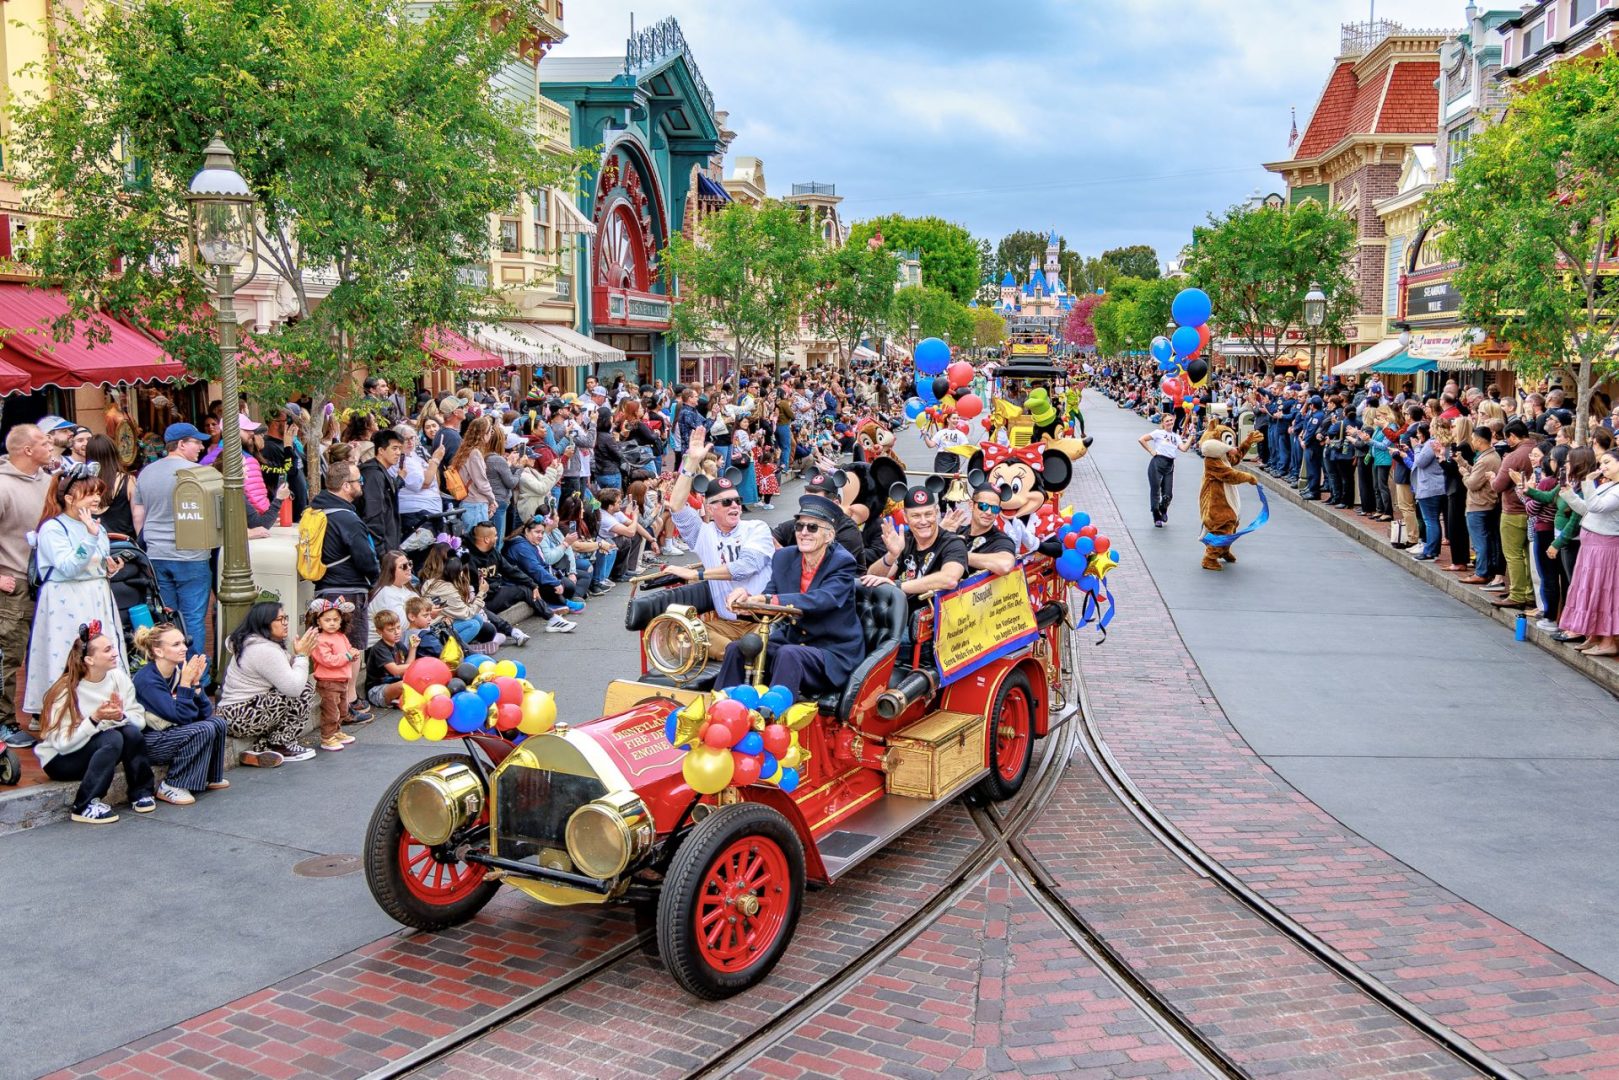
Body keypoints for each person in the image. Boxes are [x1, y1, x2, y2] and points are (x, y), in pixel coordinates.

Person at [713, 494, 863, 698]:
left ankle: (773, 717)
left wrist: (768, 600)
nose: (803, 533)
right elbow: (769, 594)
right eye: (799, 526)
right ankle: (721, 707)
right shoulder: (784, 557)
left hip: (831, 650)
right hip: (792, 641)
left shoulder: (842, 561)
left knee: (788, 654)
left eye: (812, 528)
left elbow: (824, 599)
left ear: (829, 536)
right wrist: (745, 598)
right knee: (737, 648)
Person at [26, 464, 129, 723]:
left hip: (97, 594)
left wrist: (110, 567)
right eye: (89, 494)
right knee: (67, 651)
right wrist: (90, 537)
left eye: (98, 493)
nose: (96, 499)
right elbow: (68, 567)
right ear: (70, 498)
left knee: (102, 650)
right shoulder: (52, 529)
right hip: (66, 599)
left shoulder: (96, 526)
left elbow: (97, 561)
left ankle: (105, 706)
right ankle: (64, 712)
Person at [33, 622, 155, 824]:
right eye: (107, 650)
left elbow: (139, 721)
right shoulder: (66, 690)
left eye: (113, 647)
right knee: (113, 737)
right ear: (90, 659)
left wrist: (120, 716)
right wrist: (95, 719)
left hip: (94, 750)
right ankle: (84, 805)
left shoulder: (118, 677)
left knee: (130, 733)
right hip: (60, 760)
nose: (115, 653)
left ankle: (141, 791)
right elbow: (62, 744)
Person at [664, 427, 774, 644]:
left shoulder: (756, 527)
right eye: (726, 502)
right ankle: (736, 655)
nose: (734, 506)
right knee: (678, 635)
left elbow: (745, 567)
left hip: (763, 622)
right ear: (710, 507)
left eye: (737, 501)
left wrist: (697, 575)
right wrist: (691, 463)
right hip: (726, 624)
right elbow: (676, 506)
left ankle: (737, 656)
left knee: (744, 648)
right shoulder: (703, 534)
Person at [306, 461, 380, 722]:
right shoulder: (347, 518)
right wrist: (374, 576)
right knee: (350, 648)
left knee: (330, 647)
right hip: (349, 588)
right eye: (358, 481)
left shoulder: (315, 511)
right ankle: (347, 705)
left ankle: (342, 706)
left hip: (324, 588)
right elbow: (366, 558)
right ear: (346, 486)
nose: (361, 485)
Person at [135, 422, 214, 664]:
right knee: (192, 618)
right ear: (180, 445)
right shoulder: (198, 473)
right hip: (191, 556)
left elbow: (138, 514)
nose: (201, 446)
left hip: (157, 554)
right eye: (196, 442)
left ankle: (170, 672)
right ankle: (195, 677)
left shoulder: (146, 472)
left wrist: (149, 540)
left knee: (167, 619)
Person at [0, 425, 55, 747]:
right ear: (26, 451)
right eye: (42, 442)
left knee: (49, 649)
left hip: (47, 582)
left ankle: (41, 712)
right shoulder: (4, 486)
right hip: (15, 583)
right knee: (9, 655)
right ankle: (3, 723)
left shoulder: (48, 481)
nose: (50, 445)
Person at [130, 623, 228, 803]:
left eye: (183, 643)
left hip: (171, 731)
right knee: (202, 729)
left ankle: (207, 776)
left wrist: (196, 684)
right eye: (176, 644)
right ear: (159, 652)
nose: (184, 648)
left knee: (218, 723)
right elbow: (182, 717)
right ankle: (172, 784)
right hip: (150, 741)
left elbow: (206, 713)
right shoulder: (147, 680)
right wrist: (185, 684)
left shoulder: (176, 672)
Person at [216, 601, 317, 766]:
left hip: (236, 714)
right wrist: (302, 656)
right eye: (280, 619)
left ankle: (260, 749)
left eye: (286, 618)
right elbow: (293, 688)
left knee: (292, 688)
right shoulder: (262, 649)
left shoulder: (256, 643)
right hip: (242, 715)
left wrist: (299, 656)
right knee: (304, 690)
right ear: (264, 622)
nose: (285, 623)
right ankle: (281, 744)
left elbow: (285, 673)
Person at [860, 483, 969, 620]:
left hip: (931, 623)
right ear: (905, 518)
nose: (923, 521)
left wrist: (898, 585)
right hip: (896, 615)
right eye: (916, 516)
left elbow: (949, 579)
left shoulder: (952, 543)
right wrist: (891, 556)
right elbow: (872, 577)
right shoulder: (905, 540)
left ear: (936, 513)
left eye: (928, 514)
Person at [1558, 448, 1619, 657]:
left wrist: (1588, 482)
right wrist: (1569, 494)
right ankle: (1594, 634)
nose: (1603, 467)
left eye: (1608, 462)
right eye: (1602, 463)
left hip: (1605, 547)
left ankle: (1608, 639)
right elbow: (1587, 509)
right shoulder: (1609, 485)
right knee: (1589, 587)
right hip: (1591, 544)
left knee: (1603, 591)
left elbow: (1596, 506)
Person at [1490, 420, 1536, 611]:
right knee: (1528, 555)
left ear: (1513, 436)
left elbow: (1498, 486)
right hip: (1534, 510)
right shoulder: (1538, 449)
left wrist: (1492, 479)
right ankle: (1529, 593)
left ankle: (1517, 593)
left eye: (1507, 437)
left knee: (1513, 554)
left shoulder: (1513, 456)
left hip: (1513, 510)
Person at [308, 597, 359, 752]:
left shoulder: (340, 636)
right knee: (331, 710)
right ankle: (327, 737)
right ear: (318, 622)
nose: (332, 623)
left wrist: (353, 654)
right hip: (328, 681)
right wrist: (348, 657)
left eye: (335, 620)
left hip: (342, 679)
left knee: (342, 708)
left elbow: (348, 650)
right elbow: (327, 660)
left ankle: (336, 731)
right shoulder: (320, 639)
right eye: (327, 620)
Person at [945, 481, 1018, 575]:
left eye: (995, 508)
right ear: (971, 505)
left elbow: (1005, 565)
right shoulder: (958, 531)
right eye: (983, 506)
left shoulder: (1001, 540)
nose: (989, 512)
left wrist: (958, 554)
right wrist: (941, 535)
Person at [1139, 412, 1191, 527]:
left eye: (1171, 420)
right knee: (1155, 491)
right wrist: (1151, 451)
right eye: (1167, 421)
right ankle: (1156, 516)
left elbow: (1184, 448)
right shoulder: (1158, 433)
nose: (1169, 423)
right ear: (1162, 423)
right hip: (1157, 463)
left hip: (1169, 464)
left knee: (1168, 494)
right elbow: (1142, 439)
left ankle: (1163, 510)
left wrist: (1191, 437)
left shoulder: (1176, 437)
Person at [358, 429, 404, 553]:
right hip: (382, 549)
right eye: (394, 448)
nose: (398, 453)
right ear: (381, 451)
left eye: (400, 448)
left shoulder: (380, 472)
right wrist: (381, 551)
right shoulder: (373, 475)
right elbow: (373, 514)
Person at [366, 609, 415, 710]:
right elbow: (396, 670)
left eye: (398, 628)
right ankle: (397, 701)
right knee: (404, 685)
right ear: (379, 632)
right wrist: (418, 666)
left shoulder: (398, 644)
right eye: (391, 630)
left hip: (395, 684)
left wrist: (413, 648)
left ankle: (400, 700)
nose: (397, 632)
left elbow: (407, 666)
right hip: (378, 690)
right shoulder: (379, 648)